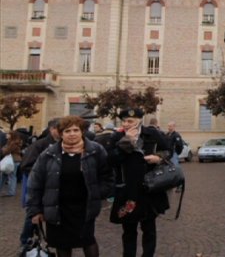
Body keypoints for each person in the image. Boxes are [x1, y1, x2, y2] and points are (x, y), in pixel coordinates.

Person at [26, 115, 114, 257]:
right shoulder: (49, 153)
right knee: (62, 244)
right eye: (67, 131)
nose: (72, 134)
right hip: (57, 207)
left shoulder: (95, 150)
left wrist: (98, 193)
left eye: (75, 130)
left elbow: (107, 176)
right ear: (61, 134)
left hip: (84, 208)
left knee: (87, 240)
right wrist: (35, 210)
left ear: (82, 132)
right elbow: (35, 183)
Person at [109, 108, 172, 257]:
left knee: (149, 228)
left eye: (130, 121)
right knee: (128, 230)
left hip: (149, 188)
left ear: (139, 121)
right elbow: (110, 159)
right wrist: (126, 142)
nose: (126, 124)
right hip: (127, 190)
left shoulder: (152, 133)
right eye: (124, 121)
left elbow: (168, 150)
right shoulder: (117, 136)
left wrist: (159, 158)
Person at [19, 117, 61, 250]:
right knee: (33, 215)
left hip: (58, 189)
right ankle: (25, 240)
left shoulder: (65, 144)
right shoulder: (40, 145)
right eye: (59, 129)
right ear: (52, 129)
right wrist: (43, 176)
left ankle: (54, 240)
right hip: (41, 188)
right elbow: (26, 166)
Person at [0, 130, 23, 197]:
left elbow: (6, 151)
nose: (6, 135)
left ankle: (11, 192)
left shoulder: (13, 143)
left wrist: (3, 149)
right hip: (13, 160)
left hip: (12, 160)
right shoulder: (12, 142)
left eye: (8, 134)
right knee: (5, 176)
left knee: (11, 176)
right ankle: (11, 191)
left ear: (12, 135)